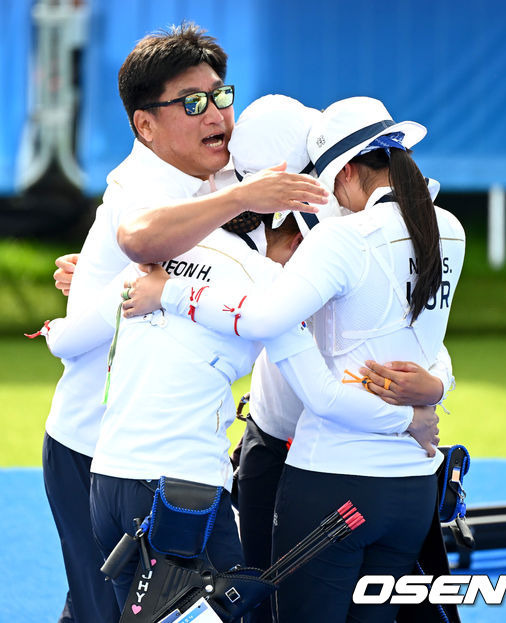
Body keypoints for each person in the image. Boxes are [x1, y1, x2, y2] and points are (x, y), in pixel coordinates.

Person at [128, 96, 465, 622]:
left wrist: (168, 291)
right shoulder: (442, 225)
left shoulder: (341, 233)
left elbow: (280, 337)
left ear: (337, 168)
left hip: (326, 468)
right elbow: (422, 337)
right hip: (402, 477)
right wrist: (432, 397)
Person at [33, 23, 328, 623]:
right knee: (112, 611)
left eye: (221, 95)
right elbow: (142, 237)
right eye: (192, 103)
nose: (217, 113)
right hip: (91, 446)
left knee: (132, 606)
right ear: (145, 125)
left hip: (147, 451)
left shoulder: (212, 175)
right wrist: (97, 303)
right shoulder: (140, 188)